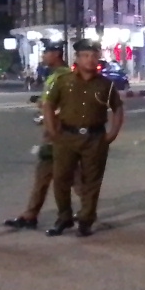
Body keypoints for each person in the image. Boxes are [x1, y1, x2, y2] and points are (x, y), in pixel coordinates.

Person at [44, 39, 125, 237]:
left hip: (95, 137)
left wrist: (113, 133)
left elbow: (118, 108)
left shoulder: (105, 84)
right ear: (78, 58)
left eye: (94, 56)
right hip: (66, 136)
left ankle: (86, 220)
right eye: (85, 56)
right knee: (61, 179)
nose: (90, 60)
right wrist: (52, 130)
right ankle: (64, 217)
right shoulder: (64, 81)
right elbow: (49, 105)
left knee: (92, 182)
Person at [4, 40, 74, 230]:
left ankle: (86, 214)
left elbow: (61, 104)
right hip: (53, 131)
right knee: (43, 173)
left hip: (59, 132)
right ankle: (30, 215)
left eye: (46, 52)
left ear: (56, 54)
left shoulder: (62, 76)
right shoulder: (56, 75)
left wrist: (46, 109)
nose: (44, 56)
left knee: (73, 176)